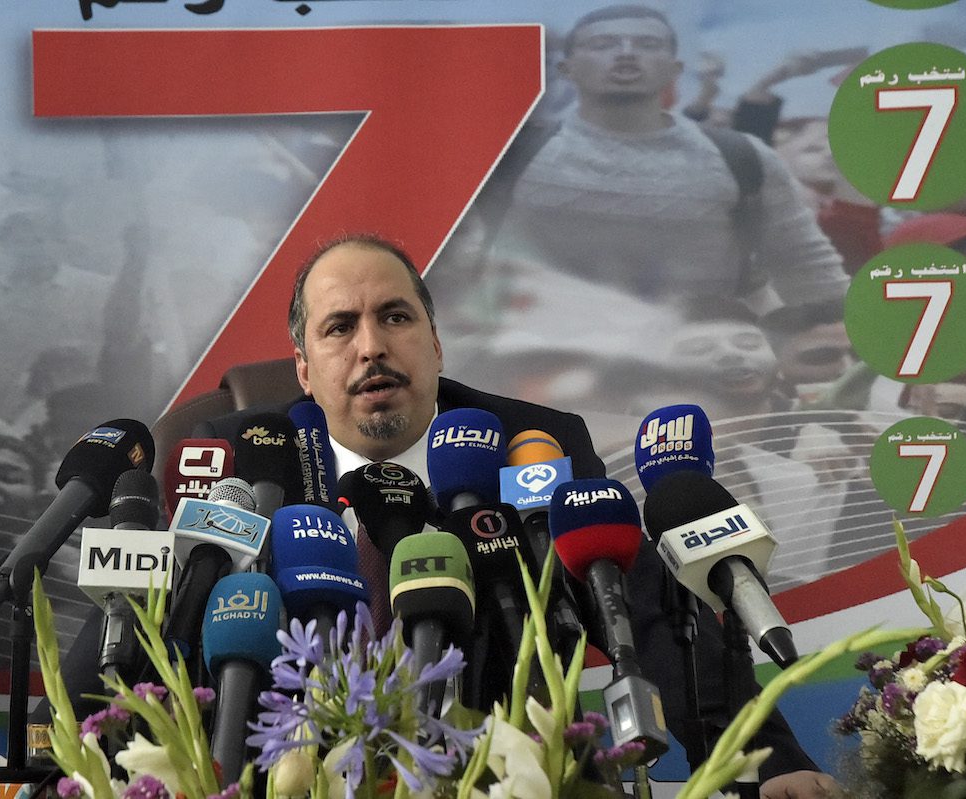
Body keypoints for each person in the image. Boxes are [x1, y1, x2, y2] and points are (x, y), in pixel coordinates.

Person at [195, 234, 842, 797]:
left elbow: (644, 613)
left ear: (435, 344)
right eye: (339, 327)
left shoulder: (532, 443)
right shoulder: (246, 461)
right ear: (304, 369)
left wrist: (766, 760)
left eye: (395, 317)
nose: (371, 346)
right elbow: (183, 630)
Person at [491, 5, 849, 316]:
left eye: (648, 45)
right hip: (544, 357)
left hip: (704, 359)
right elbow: (467, 259)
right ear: (566, 68)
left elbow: (806, 265)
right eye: (603, 44)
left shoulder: (742, 157)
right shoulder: (512, 153)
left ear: (674, 69)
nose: (626, 54)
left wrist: (846, 341)